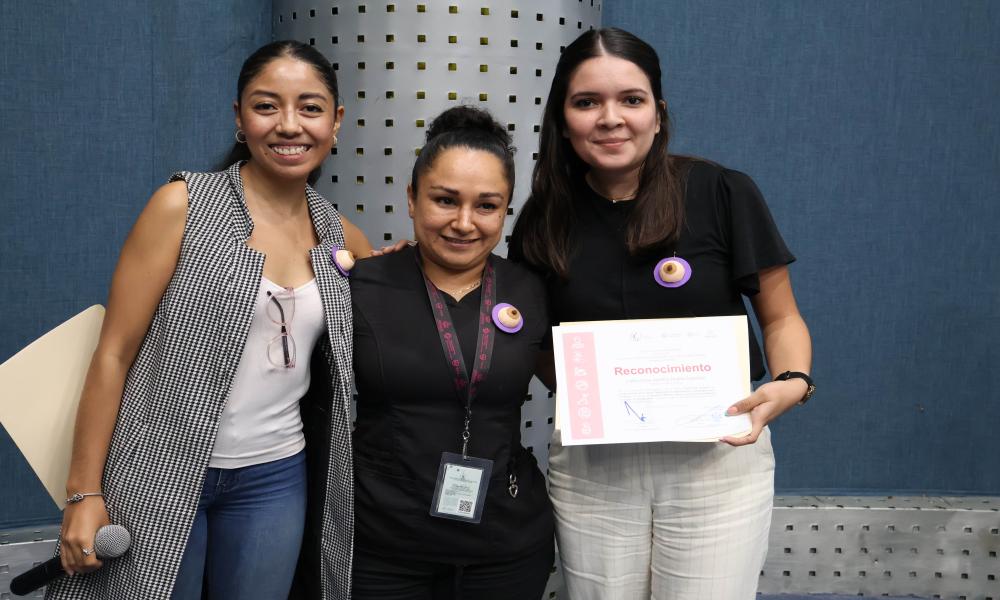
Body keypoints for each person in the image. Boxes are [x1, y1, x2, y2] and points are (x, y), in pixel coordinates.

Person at [48, 40, 371, 600]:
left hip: (276, 476)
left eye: (311, 108)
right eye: (267, 106)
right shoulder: (183, 205)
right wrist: (83, 493)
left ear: (336, 121)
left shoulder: (343, 238)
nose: (289, 125)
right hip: (159, 467)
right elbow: (114, 352)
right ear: (240, 118)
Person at [509, 28, 814, 599]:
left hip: (718, 464)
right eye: (586, 102)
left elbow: (781, 317)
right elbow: (537, 345)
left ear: (658, 110)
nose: (610, 118)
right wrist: (592, 390)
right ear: (562, 116)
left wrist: (792, 382)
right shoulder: (542, 220)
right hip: (594, 471)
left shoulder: (721, 191)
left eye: (631, 99)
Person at [347, 105, 555, 600]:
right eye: (445, 200)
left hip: (504, 547)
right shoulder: (359, 285)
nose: (464, 223)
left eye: (486, 206)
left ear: (505, 210)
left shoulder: (532, 290)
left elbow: (583, 383)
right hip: (381, 548)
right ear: (413, 199)